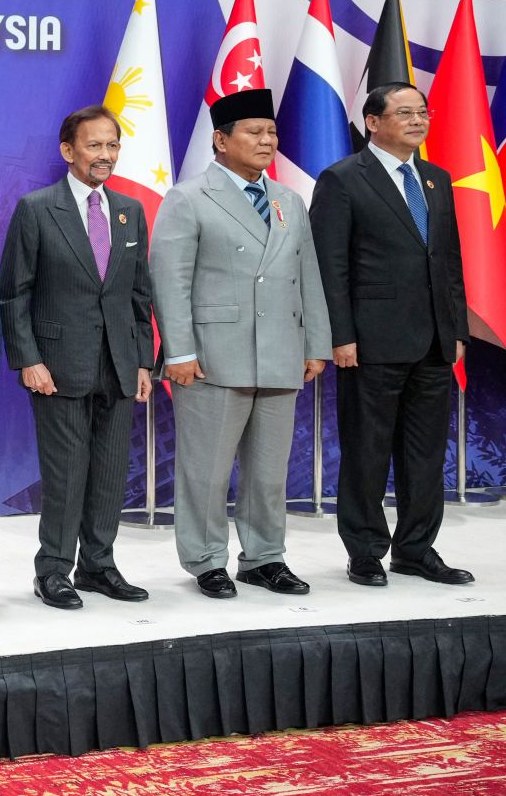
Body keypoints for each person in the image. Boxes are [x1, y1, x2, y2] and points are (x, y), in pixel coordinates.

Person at [151, 88, 330, 599]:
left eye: (271, 132)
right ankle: (207, 560)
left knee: (270, 473)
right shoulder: (187, 198)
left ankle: (264, 558)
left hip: (280, 351)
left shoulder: (289, 201)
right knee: (205, 473)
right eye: (254, 132)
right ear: (221, 140)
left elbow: (308, 277)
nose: (267, 140)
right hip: (211, 357)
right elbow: (171, 281)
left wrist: (314, 342)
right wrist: (179, 352)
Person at [311, 83, 471, 587]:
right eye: (405, 112)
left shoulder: (436, 179)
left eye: (422, 111)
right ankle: (364, 551)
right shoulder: (342, 179)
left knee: (426, 452)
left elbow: (448, 260)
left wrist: (457, 327)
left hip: (433, 341)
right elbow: (329, 266)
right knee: (366, 449)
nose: (418, 120)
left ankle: (416, 549)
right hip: (371, 341)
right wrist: (340, 334)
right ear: (374, 122)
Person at [0, 105, 154, 610]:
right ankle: (54, 571)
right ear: (69, 151)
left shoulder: (130, 211)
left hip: (119, 363)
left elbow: (138, 296)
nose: (104, 155)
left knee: (110, 473)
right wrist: (28, 359)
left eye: (112, 145)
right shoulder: (37, 208)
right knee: (65, 474)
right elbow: (14, 294)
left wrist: (143, 362)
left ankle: (99, 567)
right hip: (58, 365)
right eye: (94, 145)